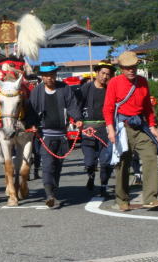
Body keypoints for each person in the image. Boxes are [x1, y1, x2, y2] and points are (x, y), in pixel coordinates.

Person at [103, 51, 158, 211]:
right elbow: (108, 108)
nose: (131, 70)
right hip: (122, 127)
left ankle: (151, 198)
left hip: (140, 126)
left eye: (134, 67)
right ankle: (122, 200)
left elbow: (147, 108)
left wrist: (152, 126)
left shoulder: (143, 81)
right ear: (121, 68)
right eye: (127, 67)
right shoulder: (114, 83)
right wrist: (110, 129)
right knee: (123, 163)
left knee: (151, 155)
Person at [29, 61, 83, 207]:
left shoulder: (64, 88)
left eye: (52, 74)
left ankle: (54, 189)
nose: (49, 78)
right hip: (45, 135)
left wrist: (77, 119)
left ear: (55, 74)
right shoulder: (36, 92)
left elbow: (72, 105)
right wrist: (32, 125)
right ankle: (49, 195)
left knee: (57, 165)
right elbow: (31, 111)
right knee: (47, 165)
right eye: (46, 75)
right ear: (42, 77)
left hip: (61, 135)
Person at [80, 60, 116, 197]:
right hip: (88, 129)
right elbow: (76, 105)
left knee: (106, 161)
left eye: (108, 74)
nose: (105, 77)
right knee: (89, 161)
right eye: (102, 73)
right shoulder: (86, 88)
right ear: (96, 73)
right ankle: (90, 175)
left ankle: (103, 186)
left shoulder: (111, 89)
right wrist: (77, 120)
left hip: (106, 129)